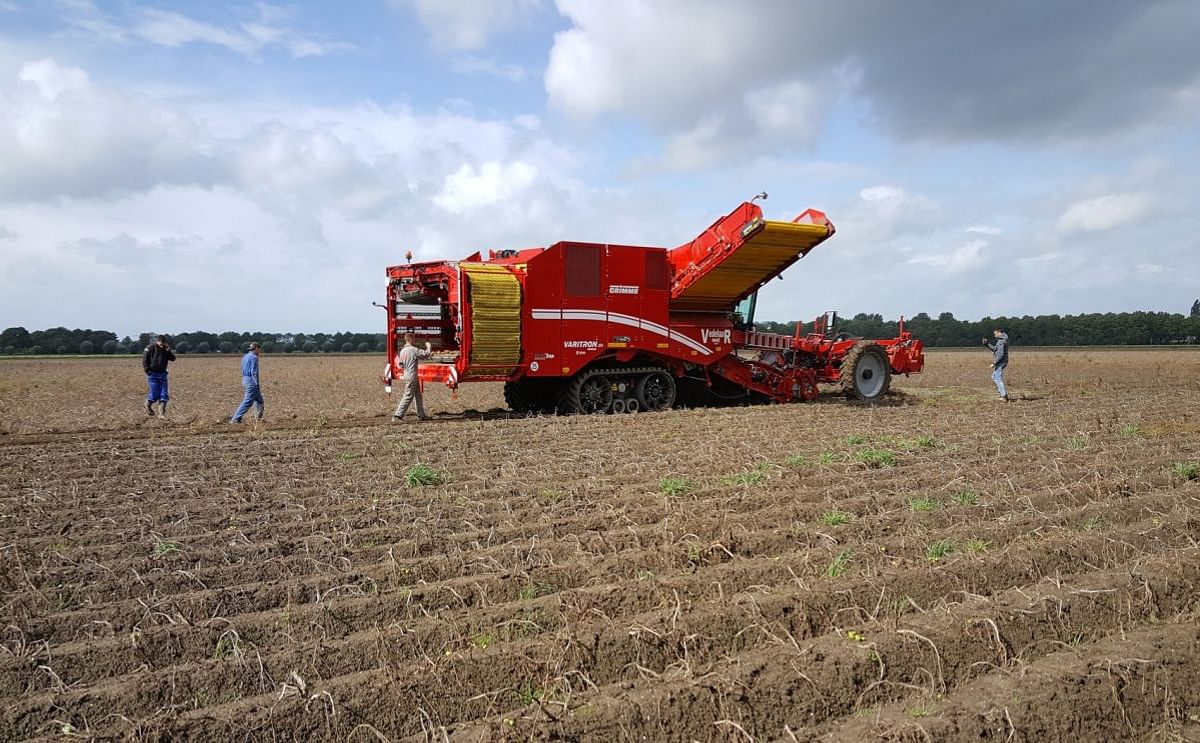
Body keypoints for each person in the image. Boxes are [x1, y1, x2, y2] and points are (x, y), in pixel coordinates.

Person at [393, 333, 432, 421]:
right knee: (408, 395)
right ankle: (397, 415)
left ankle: (421, 415)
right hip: (412, 375)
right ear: (411, 339)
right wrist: (428, 346)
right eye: (414, 339)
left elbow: (401, 364)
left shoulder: (402, 351)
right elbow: (426, 354)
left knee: (418, 395)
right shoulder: (413, 350)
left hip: (407, 374)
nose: (415, 340)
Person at [142, 335, 176, 418]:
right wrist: (148, 371)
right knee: (154, 394)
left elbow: (173, 359)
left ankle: (161, 414)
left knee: (164, 395)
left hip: (163, 375)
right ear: (157, 341)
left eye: (164, 343)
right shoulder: (150, 348)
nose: (162, 345)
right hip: (153, 375)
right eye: (161, 343)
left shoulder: (166, 349)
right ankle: (147, 405)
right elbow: (145, 360)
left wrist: (168, 351)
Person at [231, 342, 265, 423]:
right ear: (256, 348)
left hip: (245, 379)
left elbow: (242, 369)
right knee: (248, 401)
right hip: (252, 381)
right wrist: (256, 383)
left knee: (259, 400)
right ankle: (235, 419)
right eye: (259, 349)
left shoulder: (245, 356)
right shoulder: (254, 357)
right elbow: (254, 372)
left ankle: (258, 419)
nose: (259, 351)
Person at [982, 328, 1010, 402]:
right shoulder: (1002, 340)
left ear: (999, 333)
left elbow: (1000, 354)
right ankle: (1002, 393)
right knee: (994, 376)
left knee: (997, 377)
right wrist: (987, 344)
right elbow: (995, 349)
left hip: (1001, 362)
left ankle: (1004, 396)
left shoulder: (1001, 341)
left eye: (995, 334)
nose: (994, 335)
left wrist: (994, 363)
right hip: (1001, 361)